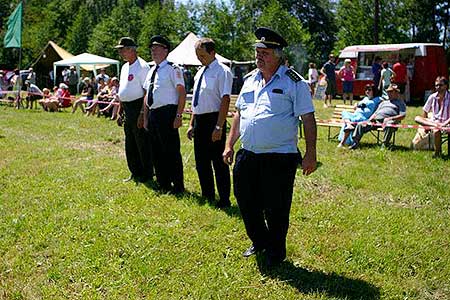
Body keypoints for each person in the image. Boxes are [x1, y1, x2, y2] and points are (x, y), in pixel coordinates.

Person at [222, 27, 317, 266]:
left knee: (276, 207)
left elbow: (308, 119)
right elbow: (238, 114)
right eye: (257, 51)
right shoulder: (249, 80)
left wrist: (311, 154)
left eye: (265, 52)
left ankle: (276, 251)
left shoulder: (294, 82)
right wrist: (229, 144)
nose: (259, 56)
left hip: (279, 156)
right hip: (248, 154)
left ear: (278, 54)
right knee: (246, 201)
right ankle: (259, 240)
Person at [186, 38, 233, 208]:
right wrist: (192, 123)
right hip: (199, 120)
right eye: (197, 55)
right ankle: (208, 195)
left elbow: (225, 99)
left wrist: (219, 126)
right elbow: (196, 101)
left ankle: (224, 199)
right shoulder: (200, 72)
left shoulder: (223, 71)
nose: (200, 58)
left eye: (203, 55)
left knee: (218, 163)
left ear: (212, 53)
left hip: (214, 119)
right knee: (201, 162)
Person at [143, 35, 186, 193]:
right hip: (154, 114)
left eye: (157, 48)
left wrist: (179, 115)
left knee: (171, 151)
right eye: (152, 49)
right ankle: (163, 183)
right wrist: (145, 116)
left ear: (165, 50)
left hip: (167, 113)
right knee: (156, 151)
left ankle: (178, 185)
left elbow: (181, 92)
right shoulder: (151, 71)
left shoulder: (173, 69)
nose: (153, 51)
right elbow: (147, 95)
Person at [115, 36, 153, 183]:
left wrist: (142, 113)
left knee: (142, 142)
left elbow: (146, 91)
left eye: (123, 50)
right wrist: (120, 110)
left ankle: (147, 172)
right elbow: (122, 90)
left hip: (138, 106)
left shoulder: (142, 66)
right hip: (127, 106)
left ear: (132, 50)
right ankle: (135, 171)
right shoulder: (125, 67)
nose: (121, 53)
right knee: (130, 142)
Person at [349, 83, 406, 150]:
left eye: (391, 92)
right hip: (376, 120)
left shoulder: (400, 103)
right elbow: (376, 112)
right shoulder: (384, 102)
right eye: (388, 92)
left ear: (396, 93)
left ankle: (384, 145)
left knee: (389, 125)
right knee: (361, 124)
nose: (389, 93)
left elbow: (403, 115)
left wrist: (390, 118)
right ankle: (355, 143)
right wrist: (370, 119)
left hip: (389, 120)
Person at [414, 76, 450, 157]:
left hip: (447, 123)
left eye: (440, 85)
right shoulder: (432, 96)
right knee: (417, 118)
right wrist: (426, 124)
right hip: (434, 122)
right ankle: (438, 152)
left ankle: (437, 152)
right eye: (436, 85)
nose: (438, 87)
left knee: (437, 131)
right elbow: (425, 111)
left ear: (446, 86)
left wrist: (444, 124)